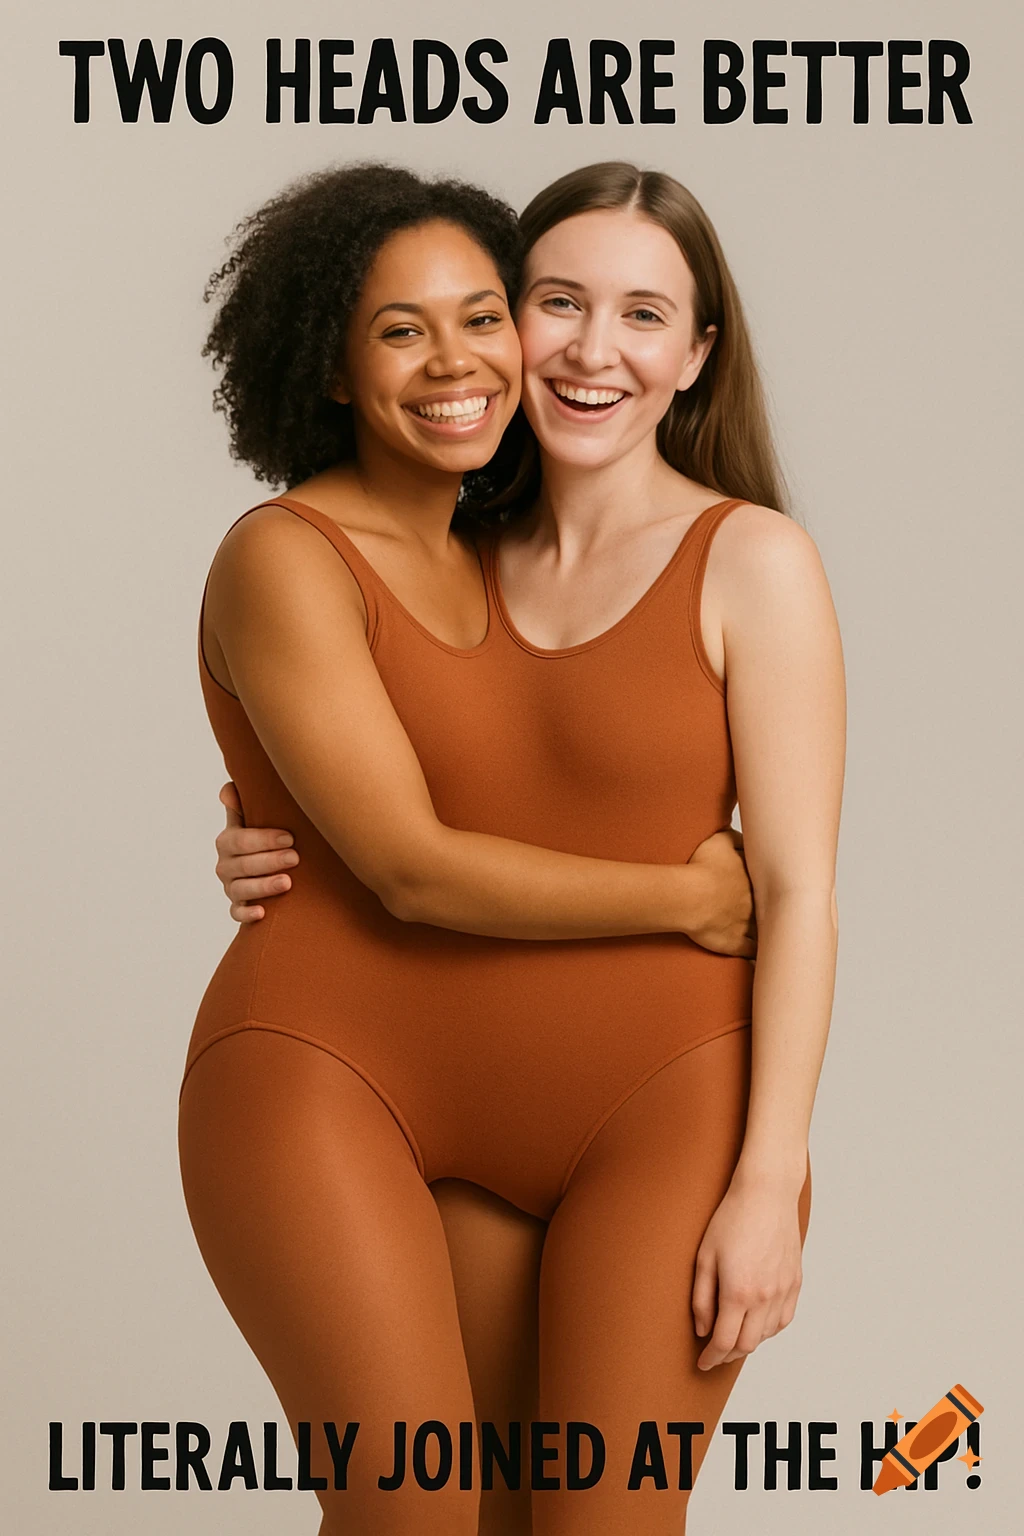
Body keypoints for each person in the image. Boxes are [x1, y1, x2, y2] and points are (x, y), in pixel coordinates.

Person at [180, 161, 844, 1535]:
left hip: (659, 1105)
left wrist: (773, 1180)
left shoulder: (754, 558)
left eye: (646, 314)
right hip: (417, 1090)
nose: (593, 348)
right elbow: (407, 834)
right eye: (556, 303)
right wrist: (256, 827)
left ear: (698, 355)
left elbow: (799, 897)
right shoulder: (456, 532)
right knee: (429, 1520)